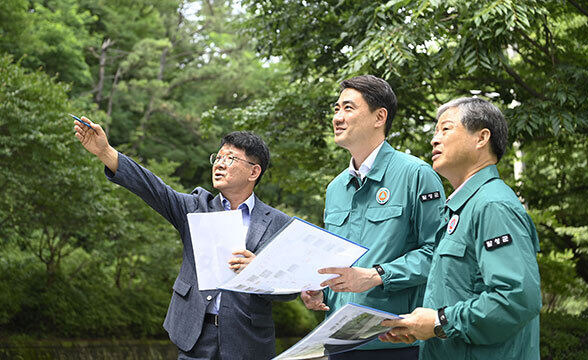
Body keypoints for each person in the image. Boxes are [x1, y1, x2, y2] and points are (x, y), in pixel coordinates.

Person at [74, 118, 296, 360]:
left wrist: (260, 270)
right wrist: (105, 152)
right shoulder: (195, 208)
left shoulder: (277, 222)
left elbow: (290, 289)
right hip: (195, 336)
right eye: (218, 157)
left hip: (248, 342)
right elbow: (153, 188)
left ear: (254, 171)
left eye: (230, 158)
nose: (219, 164)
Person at [379, 97, 542, 359]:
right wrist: (423, 328)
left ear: (481, 138)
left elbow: (516, 299)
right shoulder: (460, 208)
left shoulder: (493, 205)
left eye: (445, 129)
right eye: (435, 131)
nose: (434, 139)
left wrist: (439, 322)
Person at [301, 75, 446, 359]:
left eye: (348, 108)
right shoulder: (335, 189)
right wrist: (321, 293)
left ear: (380, 117)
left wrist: (377, 276)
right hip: (338, 341)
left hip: (395, 342)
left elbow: (438, 255)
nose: (337, 118)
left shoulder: (417, 175)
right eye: (336, 109)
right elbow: (340, 265)